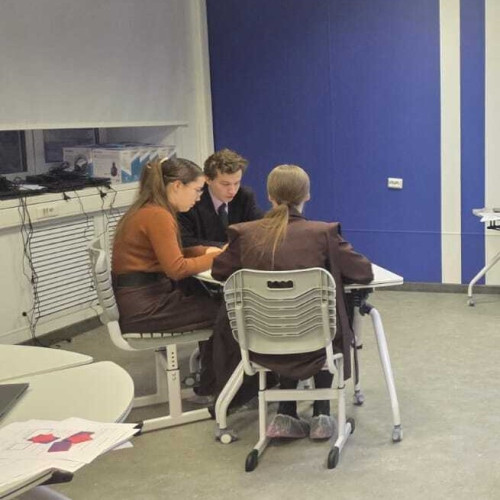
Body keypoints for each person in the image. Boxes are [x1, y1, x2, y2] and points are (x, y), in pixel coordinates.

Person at [211, 164, 373, 440]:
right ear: (307, 196)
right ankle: (321, 413)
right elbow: (363, 272)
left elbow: (219, 271)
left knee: (282, 319)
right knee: (329, 311)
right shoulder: (323, 233)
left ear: (270, 196)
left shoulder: (244, 234)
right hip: (318, 343)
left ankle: (286, 413)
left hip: (260, 342)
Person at [112, 157, 223, 395]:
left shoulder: (148, 209)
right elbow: (177, 268)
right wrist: (218, 258)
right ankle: (220, 387)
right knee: (230, 312)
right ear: (177, 186)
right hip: (148, 308)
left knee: (216, 304)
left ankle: (212, 380)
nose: (199, 197)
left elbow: (171, 255)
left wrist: (206, 251)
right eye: (197, 190)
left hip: (139, 302)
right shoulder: (158, 216)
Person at [178, 148, 264, 248]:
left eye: (236, 183)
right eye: (225, 184)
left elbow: (261, 229)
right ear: (208, 179)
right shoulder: (190, 200)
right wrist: (227, 248)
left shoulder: (244, 196)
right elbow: (185, 241)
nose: (232, 191)